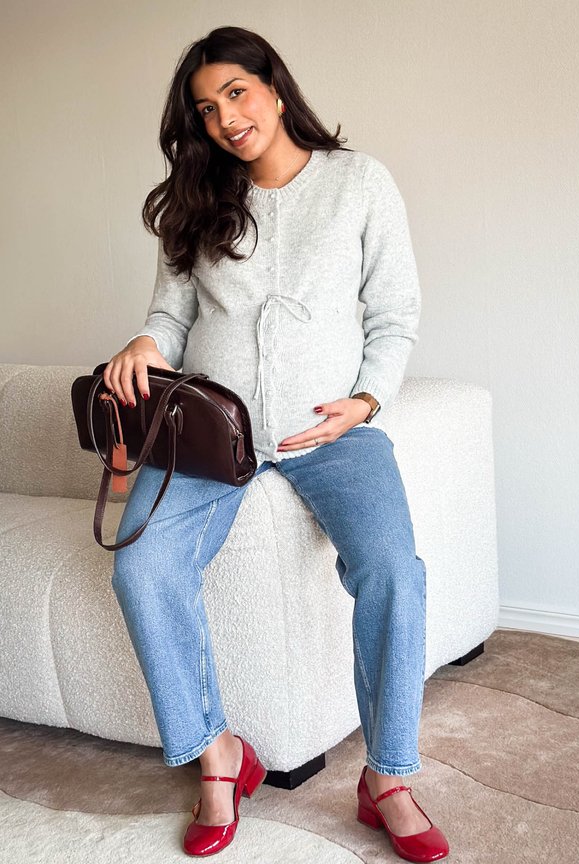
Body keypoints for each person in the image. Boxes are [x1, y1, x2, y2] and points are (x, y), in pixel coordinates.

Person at [104, 25, 449, 862]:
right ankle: (217, 754)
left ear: (274, 87)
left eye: (236, 92)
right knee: (139, 563)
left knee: (395, 570)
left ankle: (389, 777)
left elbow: (394, 316)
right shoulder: (198, 199)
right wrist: (147, 343)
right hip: (214, 435)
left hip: (330, 431)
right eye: (205, 107)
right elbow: (171, 315)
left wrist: (366, 401)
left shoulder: (359, 183)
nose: (225, 118)